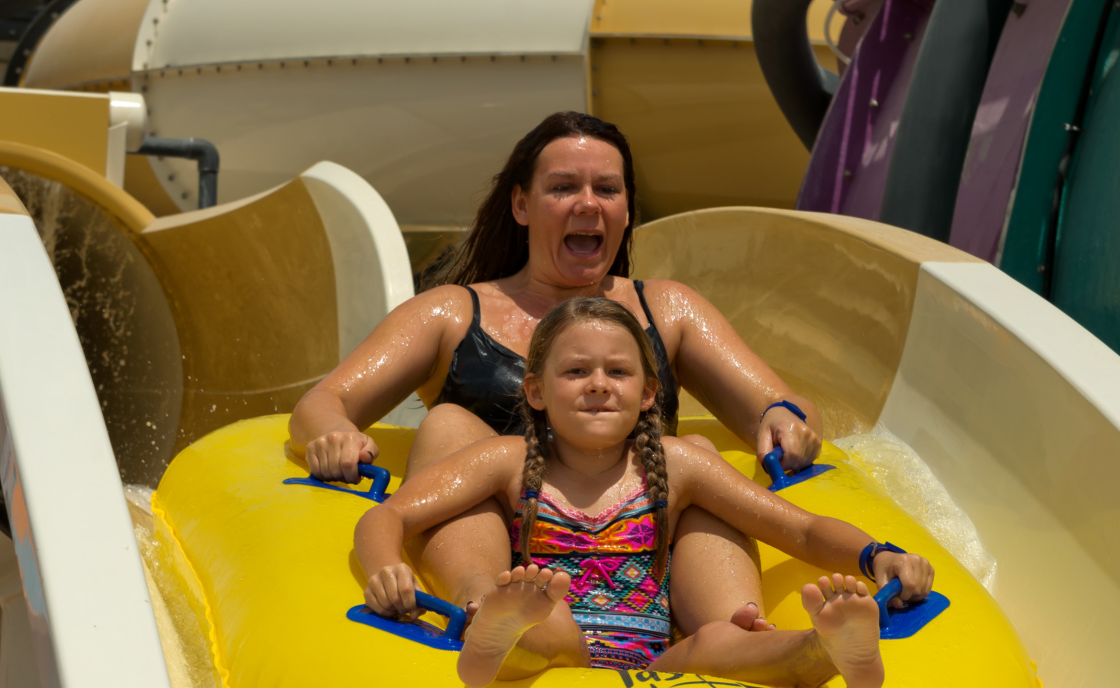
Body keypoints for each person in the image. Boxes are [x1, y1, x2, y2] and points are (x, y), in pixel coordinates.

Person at [289, 110, 822, 636]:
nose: (588, 203)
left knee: (701, 458)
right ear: (522, 204)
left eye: (607, 190)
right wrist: (333, 434)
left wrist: (782, 419)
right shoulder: (449, 314)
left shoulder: (669, 310)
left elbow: (784, 406)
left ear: (627, 209)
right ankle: (483, 608)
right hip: (501, 545)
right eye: (564, 187)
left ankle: (737, 634)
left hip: (634, 549)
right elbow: (323, 402)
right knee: (449, 425)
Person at [354, 294, 935, 688]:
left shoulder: (677, 465)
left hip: (657, 663)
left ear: (650, 393)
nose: (599, 386)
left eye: (619, 372)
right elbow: (390, 516)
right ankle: (498, 636)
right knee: (546, 621)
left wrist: (875, 555)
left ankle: (823, 649)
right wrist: (385, 567)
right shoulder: (507, 462)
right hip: (567, 649)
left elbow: (797, 527)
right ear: (535, 391)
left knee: (716, 641)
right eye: (576, 372)